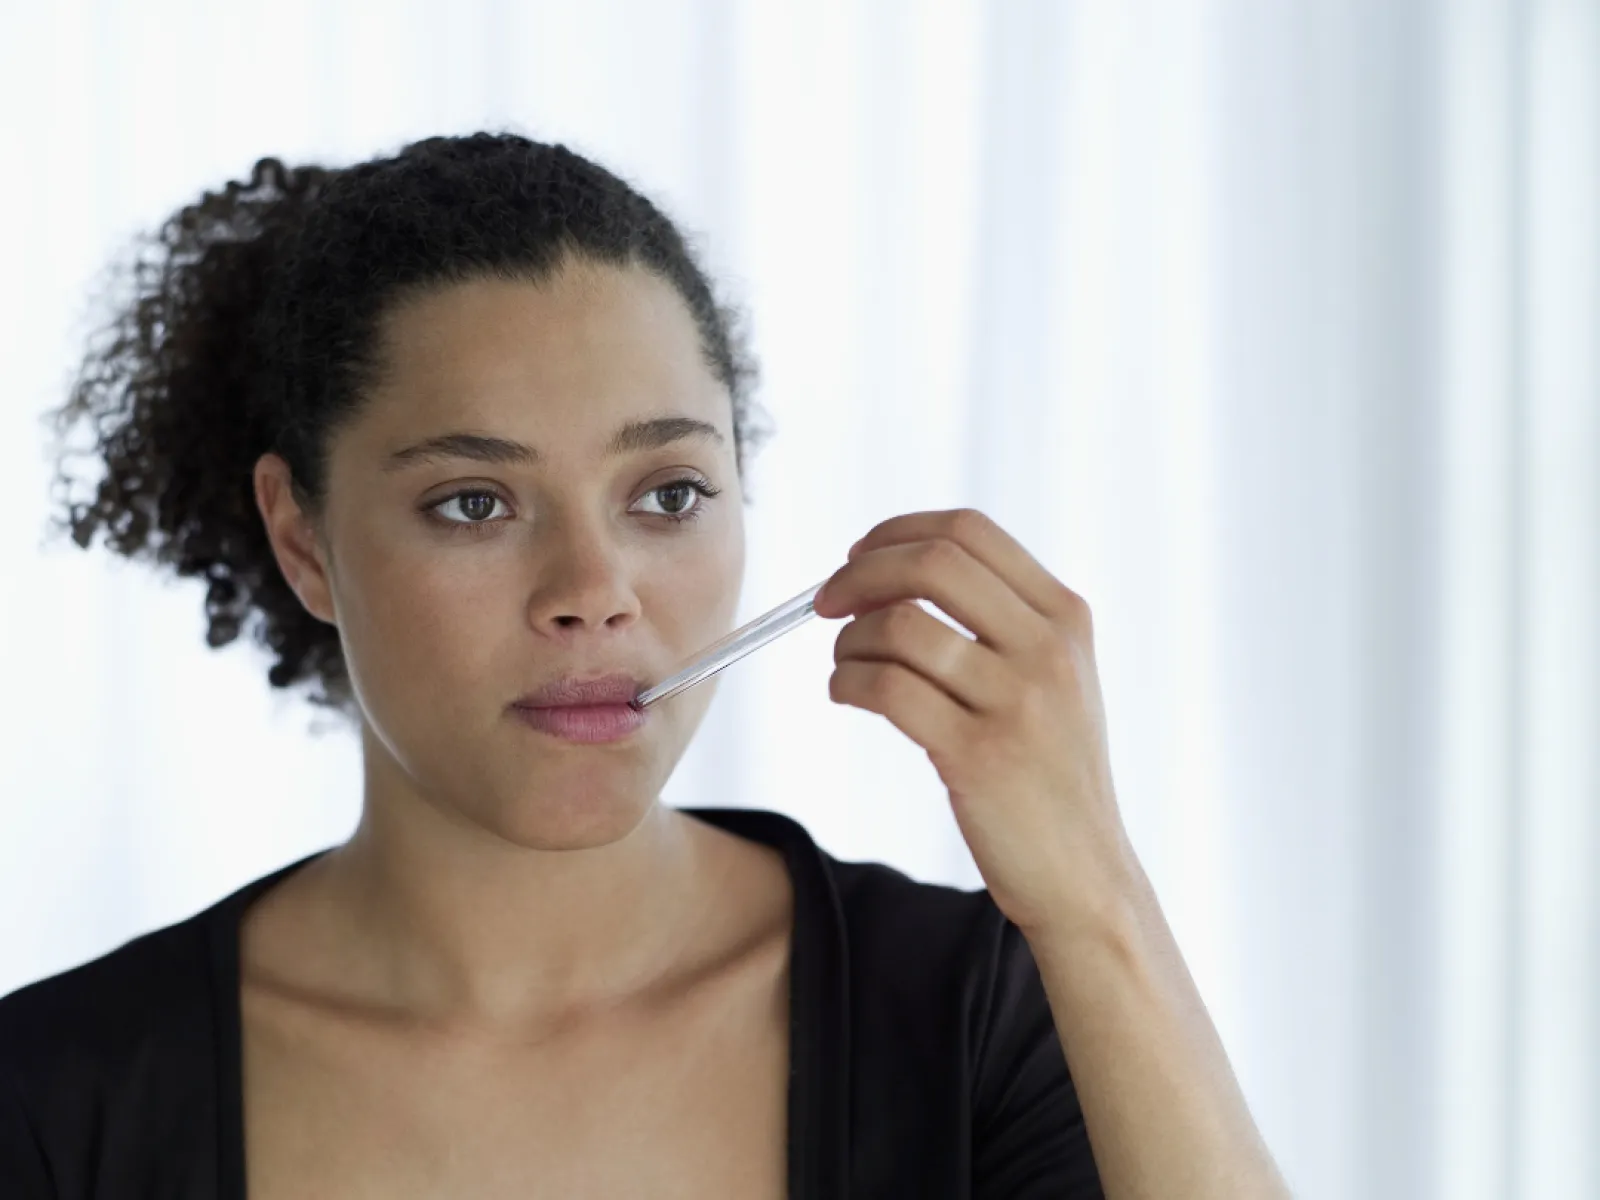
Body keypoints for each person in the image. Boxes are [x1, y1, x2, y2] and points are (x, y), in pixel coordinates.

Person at [0, 132, 1287, 1198]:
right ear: (305, 540)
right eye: (473, 503)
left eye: (667, 494)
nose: (591, 596)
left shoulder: (966, 1018)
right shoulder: (58, 1101)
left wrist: (1097, 901)